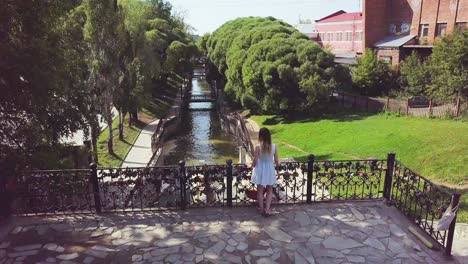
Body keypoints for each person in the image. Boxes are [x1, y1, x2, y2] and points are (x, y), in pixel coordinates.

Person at [251, 127, 279, 216]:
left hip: (260, 169)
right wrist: (278, 166)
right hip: (270, 169)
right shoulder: (274, 146)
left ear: (260, 136)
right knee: (269, 190)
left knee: (260, 191)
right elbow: (277, 161)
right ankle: (267, 209)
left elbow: (255, 162)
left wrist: (251, 166)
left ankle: (261, 208)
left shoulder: (258, 147)